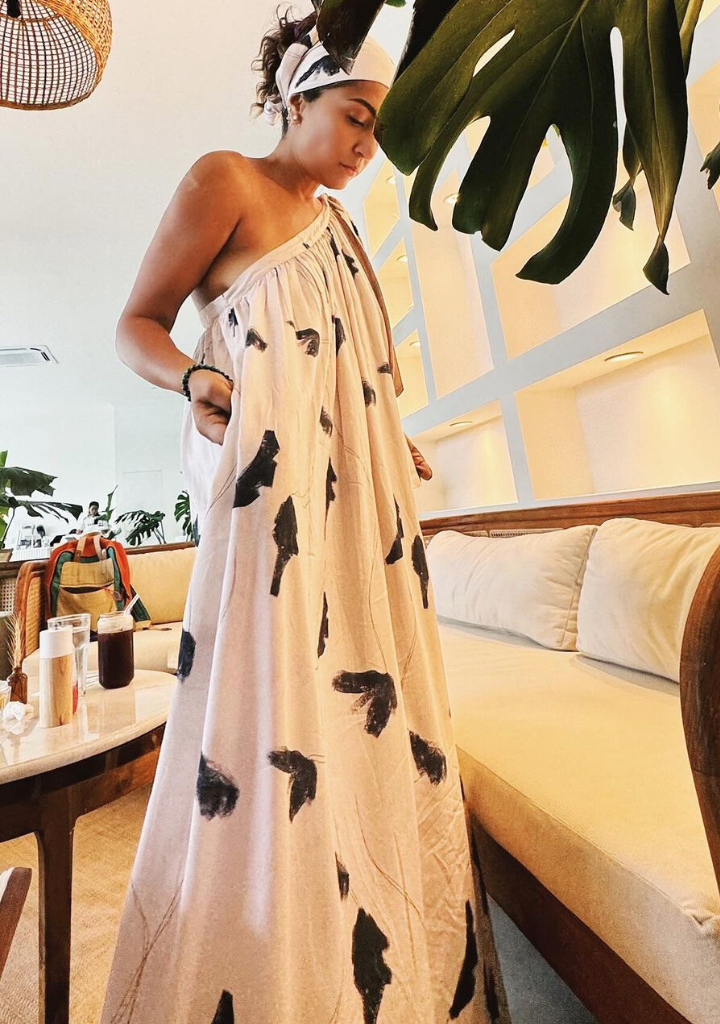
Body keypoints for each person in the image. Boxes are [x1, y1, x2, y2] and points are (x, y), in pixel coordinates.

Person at [101, 8, 511, 1023]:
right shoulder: (225, 182)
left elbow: (350, 373)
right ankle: (267, 966)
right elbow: (134, 323)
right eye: (357, 118)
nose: (369, 147)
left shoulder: (344, 231)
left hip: (363, 514)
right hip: (272, 509)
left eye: (379, 130)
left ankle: (385, 965)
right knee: (268, 716)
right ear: (297, 97)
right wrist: (192, 374)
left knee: (373, 708)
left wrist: (387, 440)